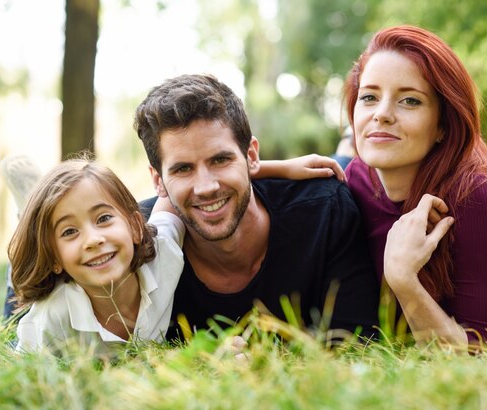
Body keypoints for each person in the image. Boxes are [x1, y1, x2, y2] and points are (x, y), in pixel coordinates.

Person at [134, 73, 380, 342]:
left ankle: (347, 142)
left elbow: (359, 344)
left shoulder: (327, 208)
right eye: (183, 169)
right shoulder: (137, 244)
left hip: (314, 180)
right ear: (158, 181)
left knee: (339, 168)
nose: (206, 187)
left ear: (251, 156)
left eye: (220, 159)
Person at [342, 25, 487, 349]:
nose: (381, 114)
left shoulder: (480, 199)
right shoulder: (356, 179)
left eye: (409, 100)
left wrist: (403, 277)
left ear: (443, 125)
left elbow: (478, 351)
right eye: (369, 97)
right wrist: (266, 167)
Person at [8, 157, 186, 355]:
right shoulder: (52, 316)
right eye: (69, 231)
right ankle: (27, 205)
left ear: (135, 227)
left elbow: (173, 201)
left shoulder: (165, 256)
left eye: (103, 218)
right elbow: (25, 373)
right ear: (54, 259)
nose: (93, 240)